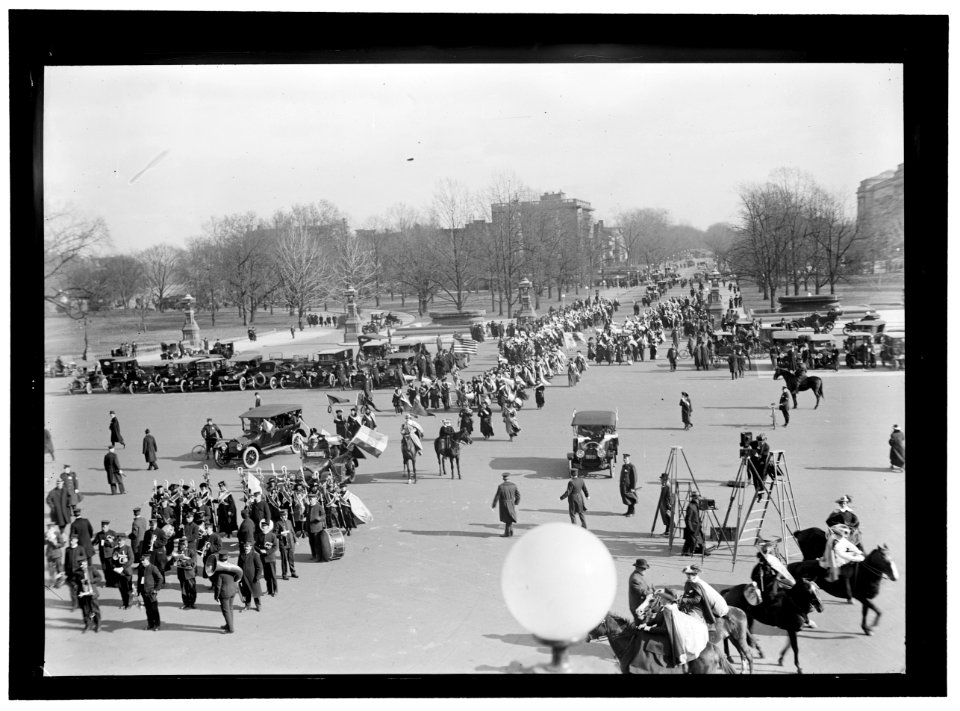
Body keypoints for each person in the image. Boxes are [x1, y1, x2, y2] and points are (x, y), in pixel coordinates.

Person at [819, 524, 866, 601]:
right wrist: (855, 557)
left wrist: (859, 552)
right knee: (845, 576)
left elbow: (851, 546)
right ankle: (848, 596)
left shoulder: (848, 537)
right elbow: (842, 554)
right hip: (838, 559)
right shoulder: (835, 542)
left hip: (847, 555)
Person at [211, 552, 241, 634]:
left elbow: (218, 586)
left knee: (226, 611)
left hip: (224, 594)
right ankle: (229, 624)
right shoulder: (232, 567)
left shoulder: (219, 573)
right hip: (233, 591)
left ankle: (230, 629)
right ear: (227, 558)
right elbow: (237, 577)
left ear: (220, 560)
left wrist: (216, 596)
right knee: (230, 609)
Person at [74, 560, 103, 633]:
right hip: (83, 594)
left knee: (95, 609)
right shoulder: (77, 572)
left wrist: (91, 580)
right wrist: (76, 584)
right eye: (80, 565)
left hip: (92, 593)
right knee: (85, 610)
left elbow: (99, 577)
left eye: (83, 565)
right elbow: (73, 581)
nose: (82, 566)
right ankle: (88, 624)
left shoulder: (92, 569)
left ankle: (98, 624)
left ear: (86, 564)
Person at [138, 553, 164, 631]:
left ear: (148, 560)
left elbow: (160, 578)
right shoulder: (141, 568)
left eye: (143, 561)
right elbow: (139, 580)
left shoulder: (153, 568)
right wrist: (138, 591)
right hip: (144, 592)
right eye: (141, 561)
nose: (142, 562)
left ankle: (157, 625)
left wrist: (156, 589)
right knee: (148, 610)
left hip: (151, 592)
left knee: (154, 609)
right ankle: (150, 624)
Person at [491, 473, 521, 537]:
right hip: (511, 503)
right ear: (509, 478)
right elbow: (518, 496)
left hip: (503, 504)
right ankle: (510, 531)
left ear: (503, 478)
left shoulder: (501, 486)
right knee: (510, 516)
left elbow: (497, 496)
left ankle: (507, 533)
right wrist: (516, 503)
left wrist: (494, 505)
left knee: (507, 518)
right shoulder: (514, 485)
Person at [111, 532, 136, 609]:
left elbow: (131, 559)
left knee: (128, 589)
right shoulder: (115, 549)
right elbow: (113, 561)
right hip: (119, 573)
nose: (118, 542)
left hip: (127, 572)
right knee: (121, 589)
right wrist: (114, 568)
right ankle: (125, 603)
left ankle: (129, 604)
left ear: (124, 541)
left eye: (120, 540)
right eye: (118, 540)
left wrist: (123, 567)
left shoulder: (128, 548)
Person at [238, 541, 264, 612]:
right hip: (244, 578)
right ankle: (247, 606)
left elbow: (260, 567)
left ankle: (258, 605)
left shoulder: (255, 555)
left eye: (247, 546)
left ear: (251, 547)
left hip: (253, 578)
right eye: (245, 546)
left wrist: (257, 577)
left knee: (256, 593)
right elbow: (239, 567)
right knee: (247, 593)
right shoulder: (241, 555)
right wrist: (239, 577)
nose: (246, 548)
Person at [256, 520, 280, 597]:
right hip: (263, 558)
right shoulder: (259, 535)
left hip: (271, 558)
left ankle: (275, 590)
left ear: (268, 527)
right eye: (262, 527)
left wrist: (267, 552)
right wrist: (260, 551)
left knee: (273, 575)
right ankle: (269, 590)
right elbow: (255, 546)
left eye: (265, 527)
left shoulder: (272, 535)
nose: (264, 528)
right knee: (266, 576)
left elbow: (275, 547)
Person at [174, 539, 198, 609]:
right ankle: (185, 603)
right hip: (181, 574)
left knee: (192, 589)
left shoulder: (191, 551)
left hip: (190, 573)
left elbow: (193, 559)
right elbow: (174, 561)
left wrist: (185, 562)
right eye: (181, 545)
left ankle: (192, 603)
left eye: (184, 545)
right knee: (184, 590)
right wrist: (175, 559)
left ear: (186, 545)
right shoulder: (178, 552)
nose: (182, 546)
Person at [628, 559, 653, 623]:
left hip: (642, 604)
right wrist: (652, 593)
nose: (645, 570)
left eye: (645, 568)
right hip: (638, 607)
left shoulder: (639, 575)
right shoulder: (635, 578)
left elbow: (645, 587)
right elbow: (642, 591)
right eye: (643, 568)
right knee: (641, 625)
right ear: (637, 568)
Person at [275, 509, 298, 580]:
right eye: (284, 516)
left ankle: (293, 572)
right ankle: (284, 574)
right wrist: (281, 535)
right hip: (283, 544)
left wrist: (295, 540)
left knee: (291, 558)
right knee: (284, 560)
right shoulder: (278, 523)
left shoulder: (289, 522)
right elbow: (275, 534)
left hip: (290, 543)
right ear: (281, 516)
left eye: (286, 515)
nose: (285, 517)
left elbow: (292, 531)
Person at [45, 523, 66, 588]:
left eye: (50, 528)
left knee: (59, 568)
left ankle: (61, 580)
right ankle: (52, 581)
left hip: (57, 554)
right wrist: (46, 539)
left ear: (53, 528)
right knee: (51, 569)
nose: (48, 529)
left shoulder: (57, 534)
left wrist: (55, 543)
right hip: (49, 554)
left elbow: (62, 544)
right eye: (48, 528)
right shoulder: (46, 534)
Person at [306, 492, 326, 561]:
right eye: (309, 499)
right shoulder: (308, 506)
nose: (310, 500)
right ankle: (314, 555)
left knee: (317, 543)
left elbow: (324, 516)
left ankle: (319, 557)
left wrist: (319, 518)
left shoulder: (319, 506)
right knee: (311, 543)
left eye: (312, 499)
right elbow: (307, 517)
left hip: (317, 528)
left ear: (315, 499)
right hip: (310, 528)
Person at [656, 472, 674, 537]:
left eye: (662, 479)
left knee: (668, 517)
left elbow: (668, 497)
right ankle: (667, 531)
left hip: (666, 505)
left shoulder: (667, 486)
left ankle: (668, 531)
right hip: (664, 504)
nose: (661, 480)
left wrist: (668, 506)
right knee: (666, 518)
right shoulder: (665, 486)